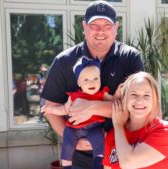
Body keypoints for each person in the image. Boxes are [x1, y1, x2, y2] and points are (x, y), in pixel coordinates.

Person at [41, 0, 144, 168]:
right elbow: (50, 106)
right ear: (84, 27)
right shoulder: (64, 61)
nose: (100, 31)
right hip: (80, 158)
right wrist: (74, 140)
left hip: (123, 154)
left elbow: (138, 107)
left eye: (107, 25)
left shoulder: (130, 58)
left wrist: (92, 107)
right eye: (94, 25)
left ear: (116, 27)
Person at [42, 57, 113, 169]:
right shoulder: (73, 96)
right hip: (73, 128)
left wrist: (119, 94)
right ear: (79, 82)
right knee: (67, 140)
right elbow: (64, 109)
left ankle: (97, 164)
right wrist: (51, 110)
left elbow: (115, 103)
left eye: (95, 78)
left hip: (93, 127)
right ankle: (66, 165)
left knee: (99, 137)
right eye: (86, 80)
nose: (91, 82)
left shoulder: (102, 94)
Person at [103, 72, 168, 169]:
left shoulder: (167, 131)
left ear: (155, 99)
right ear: (125, 98)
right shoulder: (112, 136)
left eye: (146, 95)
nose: (139, 101)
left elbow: (127, 162)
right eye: (134, 94)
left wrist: (118, 125)